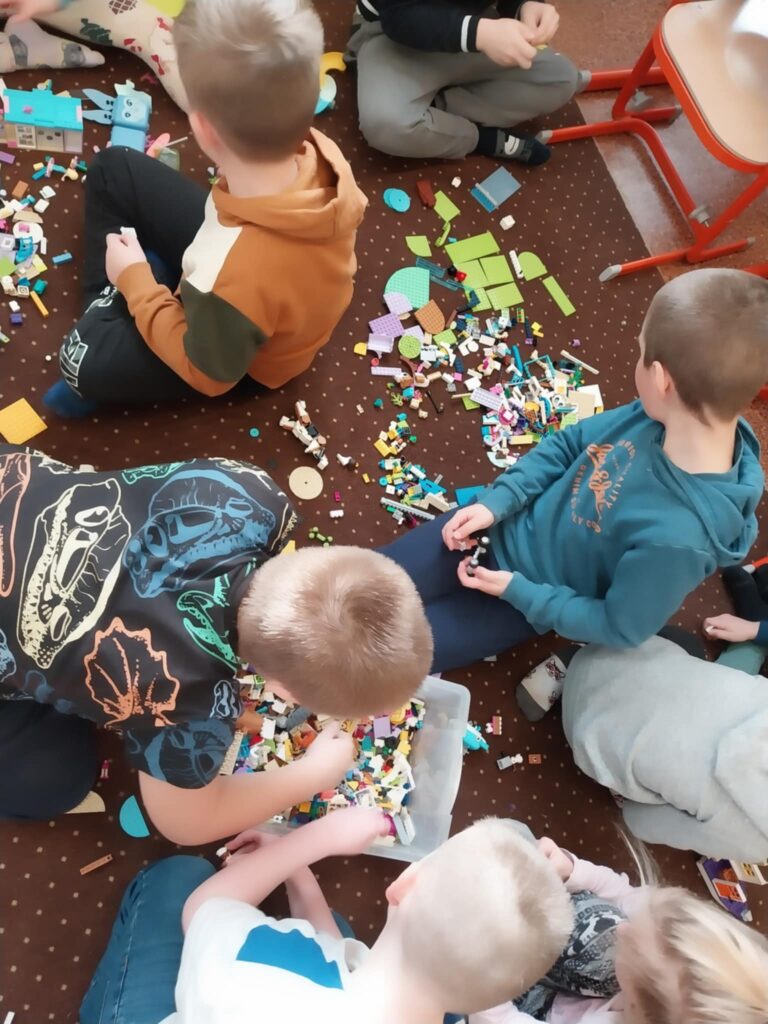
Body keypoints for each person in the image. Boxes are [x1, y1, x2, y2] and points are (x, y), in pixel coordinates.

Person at [0, 445, 432, 843]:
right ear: (284, 692)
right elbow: (185, 825)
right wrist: (314, 774)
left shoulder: (253, 493)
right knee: (56, 781)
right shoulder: (188, 704)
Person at [379, 268, 768, 672]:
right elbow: (568, 444)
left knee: (384, 655)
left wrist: (521, 593)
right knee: (362, 583)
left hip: (519, 602)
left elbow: (619, 626)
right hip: (494, 527)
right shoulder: (668, 413)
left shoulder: (680, 543)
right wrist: (498, 501)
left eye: (639, 351)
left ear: (661, 379)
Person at [43, 0, 368, 416]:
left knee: (78, 360)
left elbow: (210, 376)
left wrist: (136, 284)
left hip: (232, 356)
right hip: (248, 265)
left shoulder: (232, 275)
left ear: (201, 129)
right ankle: (135, 291)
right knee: (113, 168)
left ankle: (117, 301)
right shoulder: (321, 153)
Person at [80, 807, 575, 1024]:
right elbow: (338, 955)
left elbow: (203, 909)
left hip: (225, 996)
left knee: (179, 876)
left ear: (402, 885)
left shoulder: (262, 972)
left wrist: (315, 839)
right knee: (337, 931)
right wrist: (297, 874)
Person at [470, 832, 768, 1024]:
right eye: (641, 922)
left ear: (635, 1011)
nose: (621, 930)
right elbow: (623, 893)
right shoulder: (664, 935)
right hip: (579, 989)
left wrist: (480, 980)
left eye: (632, 946)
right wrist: (570, 870)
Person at [561, 635, 768, 863]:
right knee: (657, 802)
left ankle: (563, 665)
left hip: (612, 648)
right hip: (585, 734)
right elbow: (638, 823)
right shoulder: (757, 844)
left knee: (692, 655)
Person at [347, 0, 581, 164]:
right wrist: (479, 33)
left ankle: (432, 110)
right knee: (384, 125)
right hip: (392, 34)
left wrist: (526, 5)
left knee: (561, 78)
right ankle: (480, 138)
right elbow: (399, 16)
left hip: (474, 26)